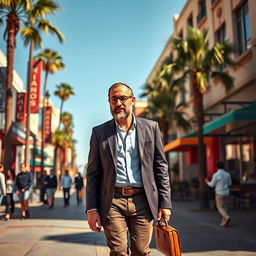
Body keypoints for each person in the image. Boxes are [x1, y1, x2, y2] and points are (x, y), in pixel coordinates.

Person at [86, 82, 172, 255]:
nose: (118, 103)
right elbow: (93, 173)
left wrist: (165, 202)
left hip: (143, 200)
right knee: (118, 251)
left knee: (141, 251)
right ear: (109, 102)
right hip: (112, 201)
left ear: (132, 100)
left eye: (123, 98)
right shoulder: (99, 132)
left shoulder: (151, 128)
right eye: (113, 99)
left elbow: (160, 167)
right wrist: (92, 209)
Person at [205, 161, 232, 227]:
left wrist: (207, 182)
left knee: (219, 207)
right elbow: (230, 184)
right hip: (226, 192)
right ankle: (224, 221)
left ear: (217, 167)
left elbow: (212, 185)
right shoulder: (227, 174)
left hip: (219, 192)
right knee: (225, 207)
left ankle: (226, 217)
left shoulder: (216, 175)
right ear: (224, 166)